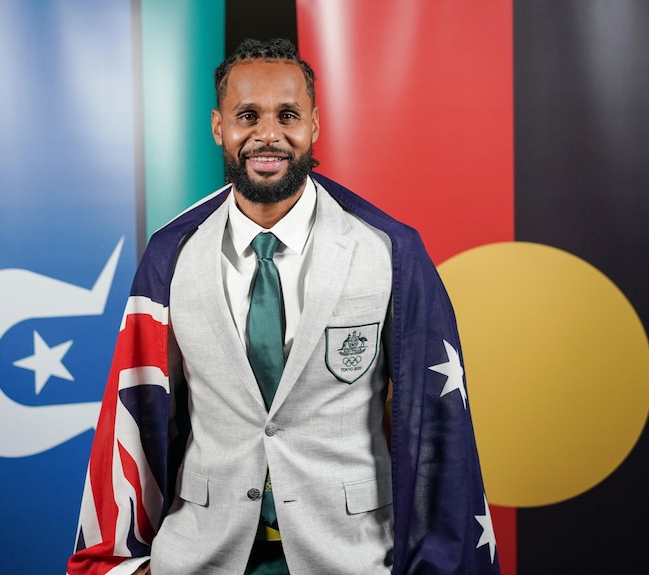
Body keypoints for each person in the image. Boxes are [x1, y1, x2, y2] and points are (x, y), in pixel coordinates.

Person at [67, 38, 498, 575]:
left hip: (351, 556)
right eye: (247, 115)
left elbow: (433, 423)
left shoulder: (388, 251)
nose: (267, 135)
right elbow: (143, 411)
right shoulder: (171, 255)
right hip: (204, 555)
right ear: (218, 126)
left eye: (287, 115)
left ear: (314, 125)